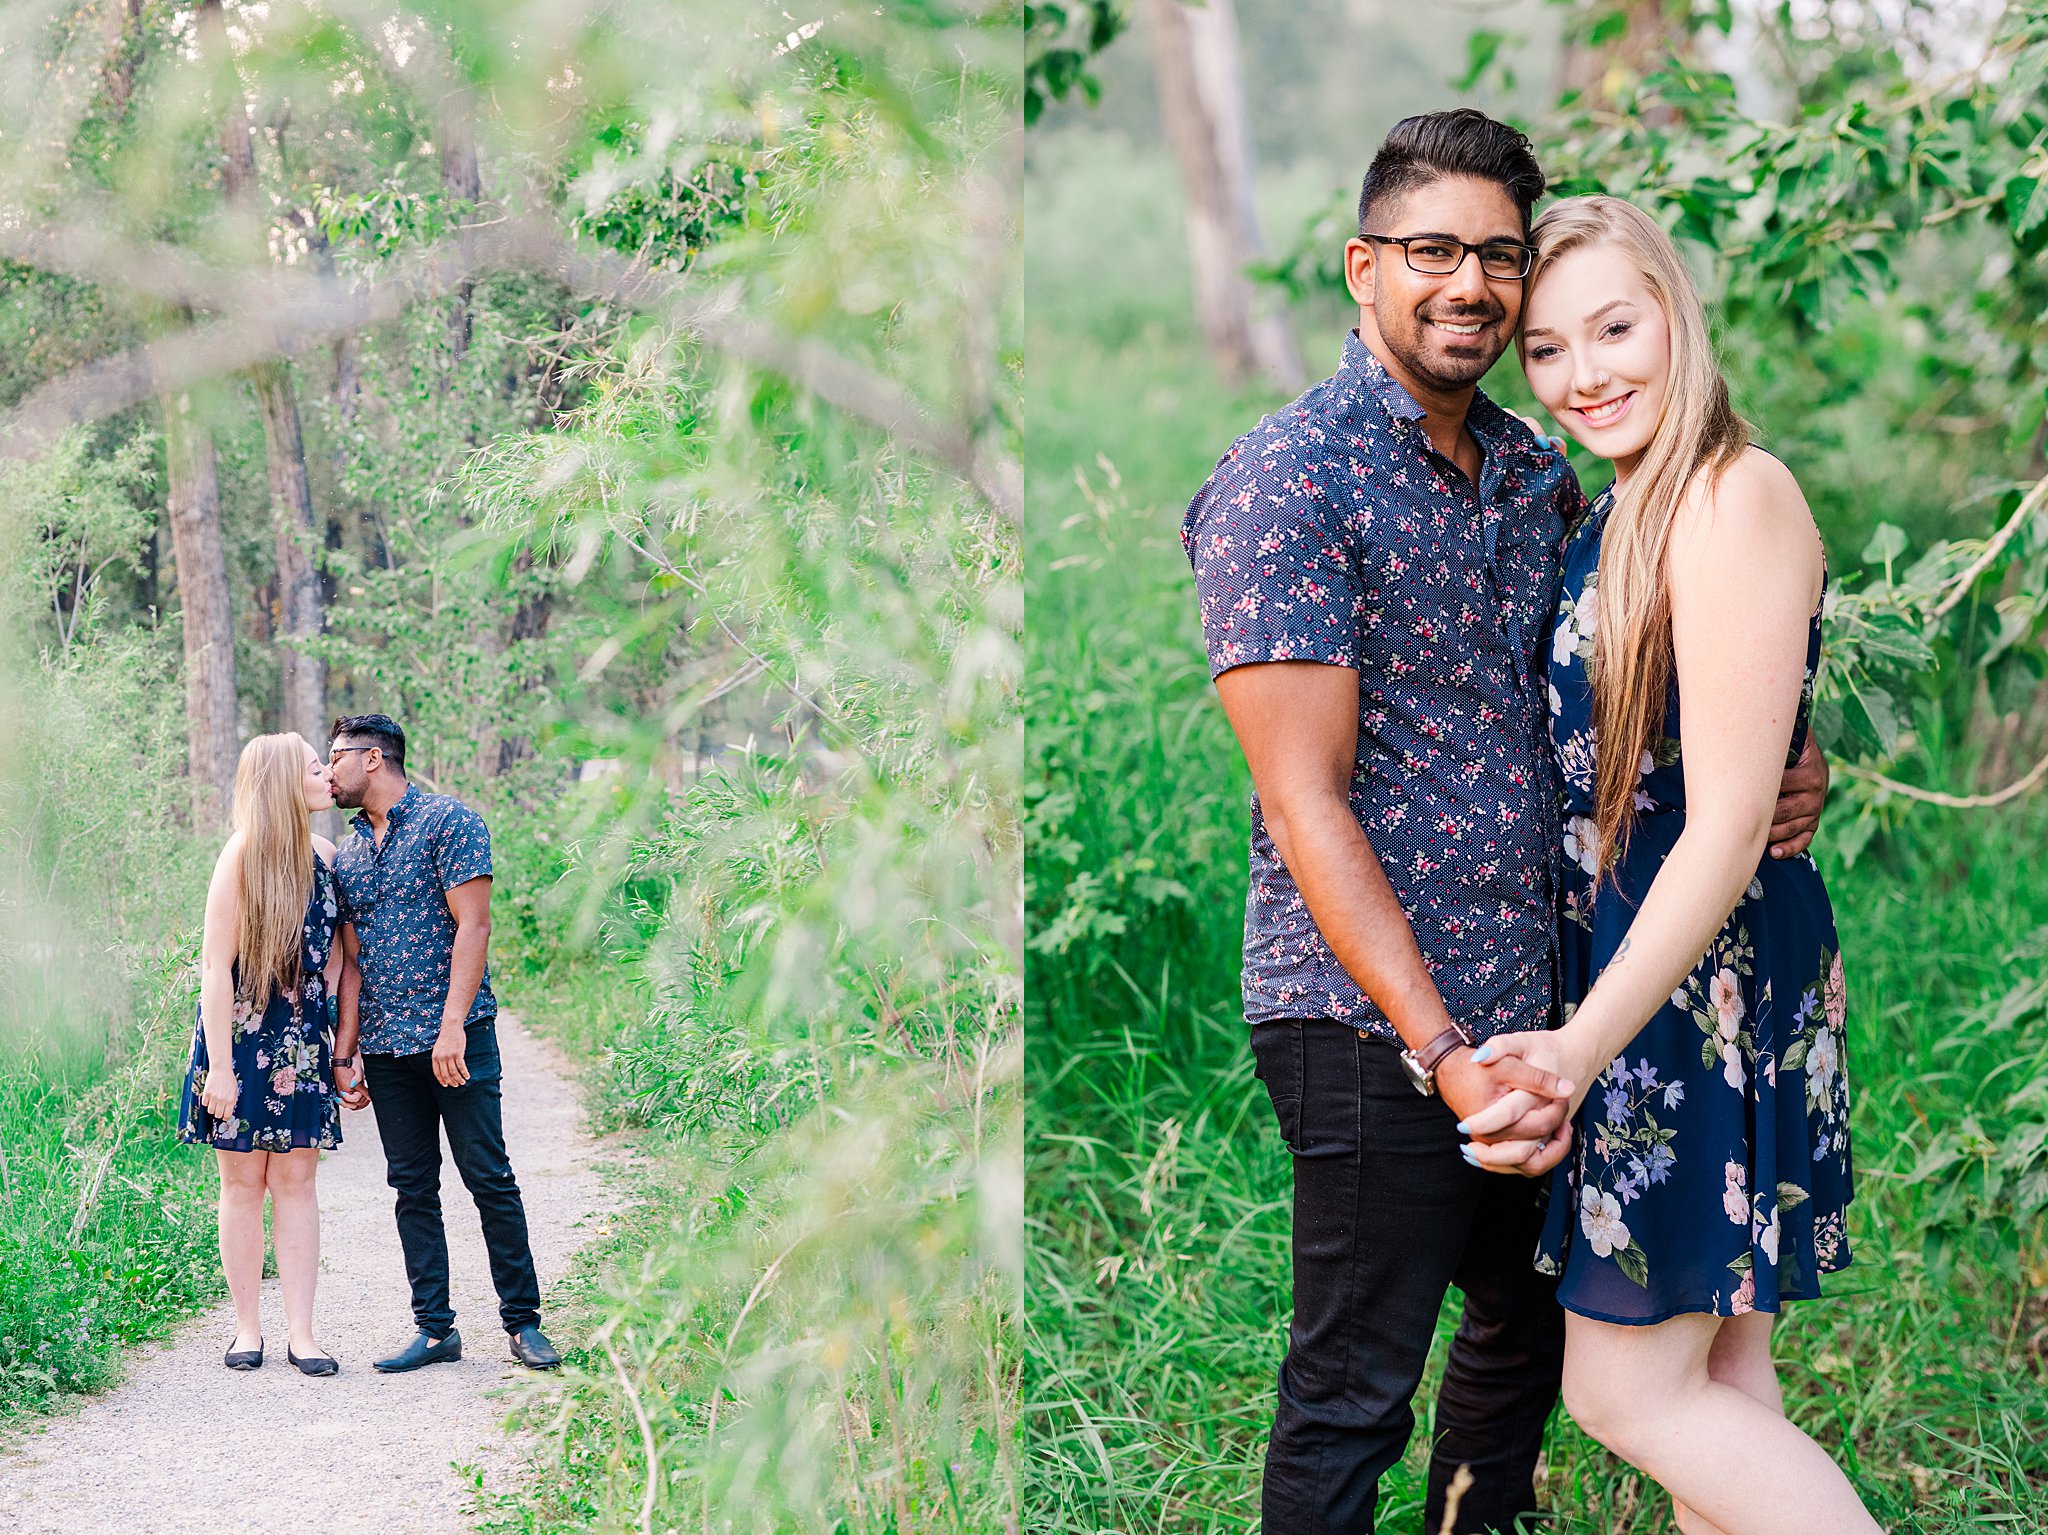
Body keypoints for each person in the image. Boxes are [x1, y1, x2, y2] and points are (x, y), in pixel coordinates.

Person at [1180, 110, 1830, 1533]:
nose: (1470, 285)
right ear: (1363, 267)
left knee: (1536, 1355)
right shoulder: (1291, 481)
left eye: (1497, 258)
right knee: (1358, 1383)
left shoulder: (1546, 474)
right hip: (1380, 1018)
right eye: (1432, 251)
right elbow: (1304, 798)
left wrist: (1785, 757)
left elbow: (1668, 675)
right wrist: (1442, 1049)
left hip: (1571, 1002)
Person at [1457, 196, 1874, 1533]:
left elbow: (1732, 817)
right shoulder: (1623, 504)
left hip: (1699, 987)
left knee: (1631, 1396)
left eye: (1616, 327)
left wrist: (1579, 1046)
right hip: (1652, 968)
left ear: (1674, 311)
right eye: (1549, 349)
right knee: (1721, 1391)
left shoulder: (1729, 492)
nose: (1587, 373)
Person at [325, 712, 562, 1373]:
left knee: (488, 1177)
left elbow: (474, 926)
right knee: (412, 1187)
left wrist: (452, 1023)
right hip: (386, 1048)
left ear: (373, 758)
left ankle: (522, 1323)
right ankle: (435, 1330)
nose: (329, 770)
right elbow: (351, 959)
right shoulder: (345, 853)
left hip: (457, 1038)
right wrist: (347, 1052)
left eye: (336, 756)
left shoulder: (449, 821)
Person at [177, 733, 345, 1377]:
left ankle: (302, 1333)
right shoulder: (241, 858)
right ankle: (247, 1326)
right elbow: (215, 970)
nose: (327, 775)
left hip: (301, 1042)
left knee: (297, 1182)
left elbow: (335, 962)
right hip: (239, 1041)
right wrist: (218, 1067)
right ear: (282, 783)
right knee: (242, 1183)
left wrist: (337, 1052)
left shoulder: (326, 856)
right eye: (314, 767)